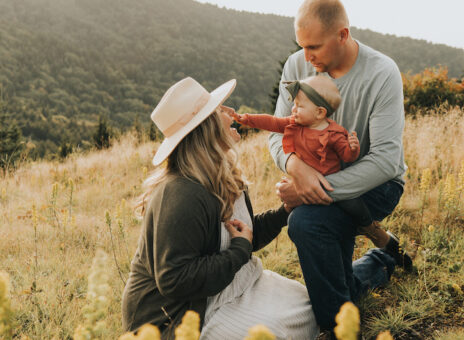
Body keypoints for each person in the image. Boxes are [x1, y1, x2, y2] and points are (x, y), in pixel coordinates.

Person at [121, 77, 318, 340]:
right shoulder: (180, 193)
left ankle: (377, 261)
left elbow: (240, 234)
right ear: (206, 128)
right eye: (220, 109)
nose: (229, 112)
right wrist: (239, 251)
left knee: (308, 306)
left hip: (221, 288)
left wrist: (285, 211)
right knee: (274, 333)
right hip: (177, 316)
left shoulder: (221, 175)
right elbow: (175, 281)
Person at [269, 0, 409, 332]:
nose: (306, 57)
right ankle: (382, 258)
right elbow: (278, 133)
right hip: (323, 180)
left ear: (342, 34)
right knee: (339, 285)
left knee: (305, 222)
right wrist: (294, 166)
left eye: (314, 46)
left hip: (376, 186)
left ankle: (339, 332)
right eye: (301, 46)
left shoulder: (382, 72)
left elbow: (386, 161)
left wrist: (310, 191)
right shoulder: (297, 67)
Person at [231, 75, 413, 256]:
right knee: (292, 202)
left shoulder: (334, 133)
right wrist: (245, 118)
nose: (293, 109)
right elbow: (271, 121)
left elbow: (347, 156)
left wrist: (353, 148)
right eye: (294, 104)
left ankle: (370, 228)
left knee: (352, 204)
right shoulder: (293, 124)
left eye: (299, 106)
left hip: (330, 184)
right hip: (306, 182)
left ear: (319, 112)